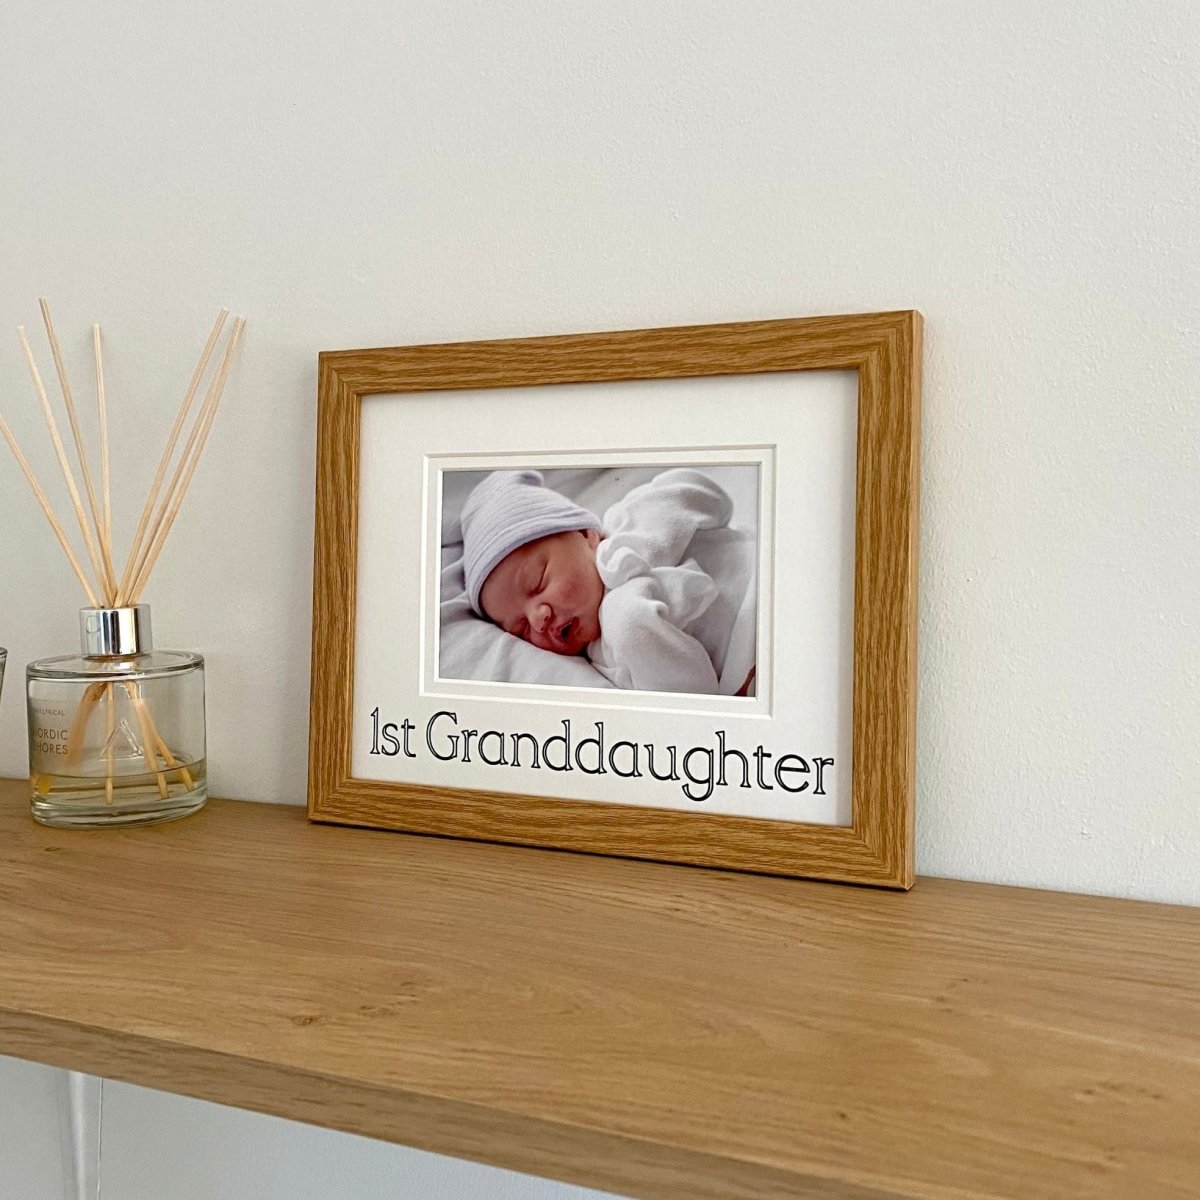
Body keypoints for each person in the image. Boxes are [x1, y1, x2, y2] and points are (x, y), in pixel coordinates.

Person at [461, 469, 756, 696]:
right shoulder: (603, 659)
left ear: (585, 534)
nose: (538, 620)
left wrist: (644, 547)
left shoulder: (629, 524)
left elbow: (708, 497)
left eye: (538, 582)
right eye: (521, 629)